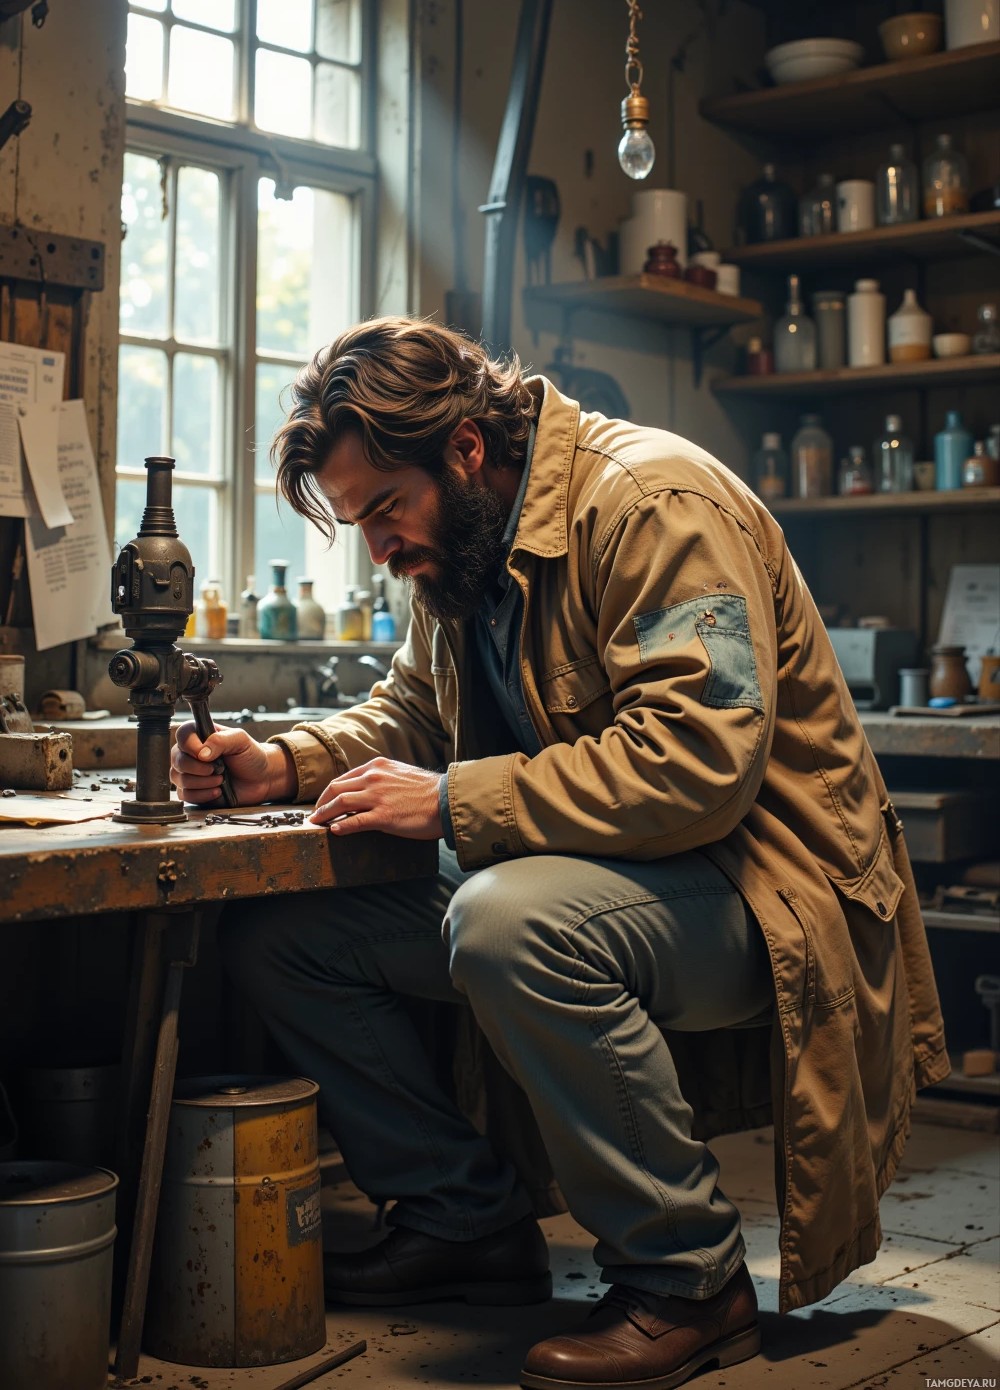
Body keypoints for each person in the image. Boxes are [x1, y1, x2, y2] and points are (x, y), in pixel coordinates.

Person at [171, 317, 948, 1390]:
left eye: (385, 510)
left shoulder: (654, 503)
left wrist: (450, 800)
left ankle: (687, 1278)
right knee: (286, 935)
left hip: (765, 887)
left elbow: (693, 764)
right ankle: (464, 1223)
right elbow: (410, 711)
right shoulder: (460, 552)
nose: (381, 546)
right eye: (360, 526)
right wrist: (284, 761)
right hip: (622, 869)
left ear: (466, 450)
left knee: (506, 922)